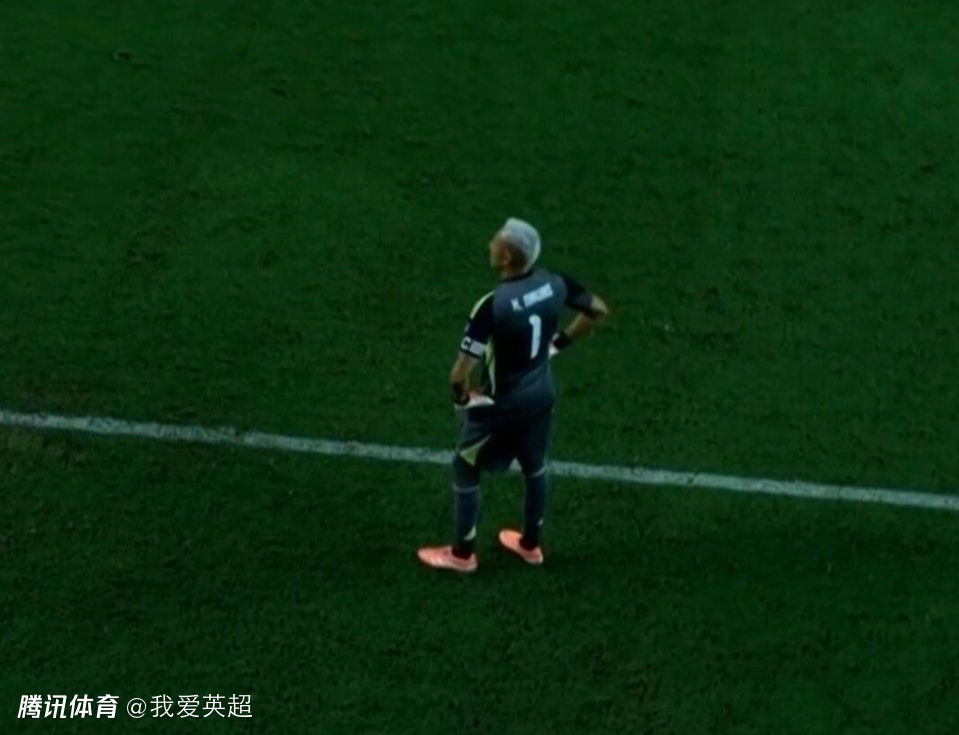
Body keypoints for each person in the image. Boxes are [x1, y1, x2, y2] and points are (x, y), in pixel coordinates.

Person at [417, 218, 609, 573]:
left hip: (501, 402)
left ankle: (462, 554)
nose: (490, 245)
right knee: (534, 466)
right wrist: (558, 344)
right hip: (541, 392)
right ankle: (530, 546)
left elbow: (460, 372)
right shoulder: (555, 283)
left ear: (506, 257)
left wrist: (462, 398)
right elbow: (597, 309)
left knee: (465, 465)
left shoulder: (492, 306)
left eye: (495, 242)